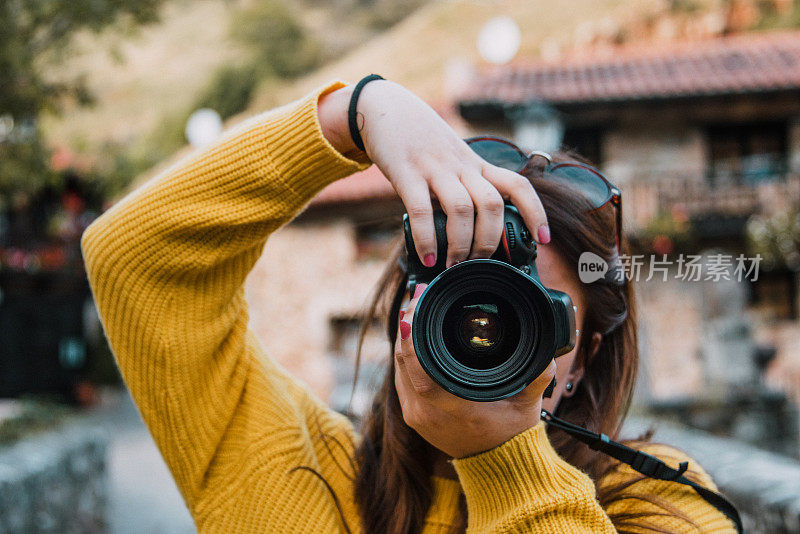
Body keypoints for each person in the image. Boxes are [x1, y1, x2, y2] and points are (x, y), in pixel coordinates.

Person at [82, 78, 735, 533]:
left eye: (535, 309)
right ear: (408, 307)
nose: (489, 328)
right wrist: (358, 111)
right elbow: (134, 258)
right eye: (464, 288)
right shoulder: (294, 466)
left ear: (584, 358)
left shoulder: (663, 505)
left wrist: (505, 462)